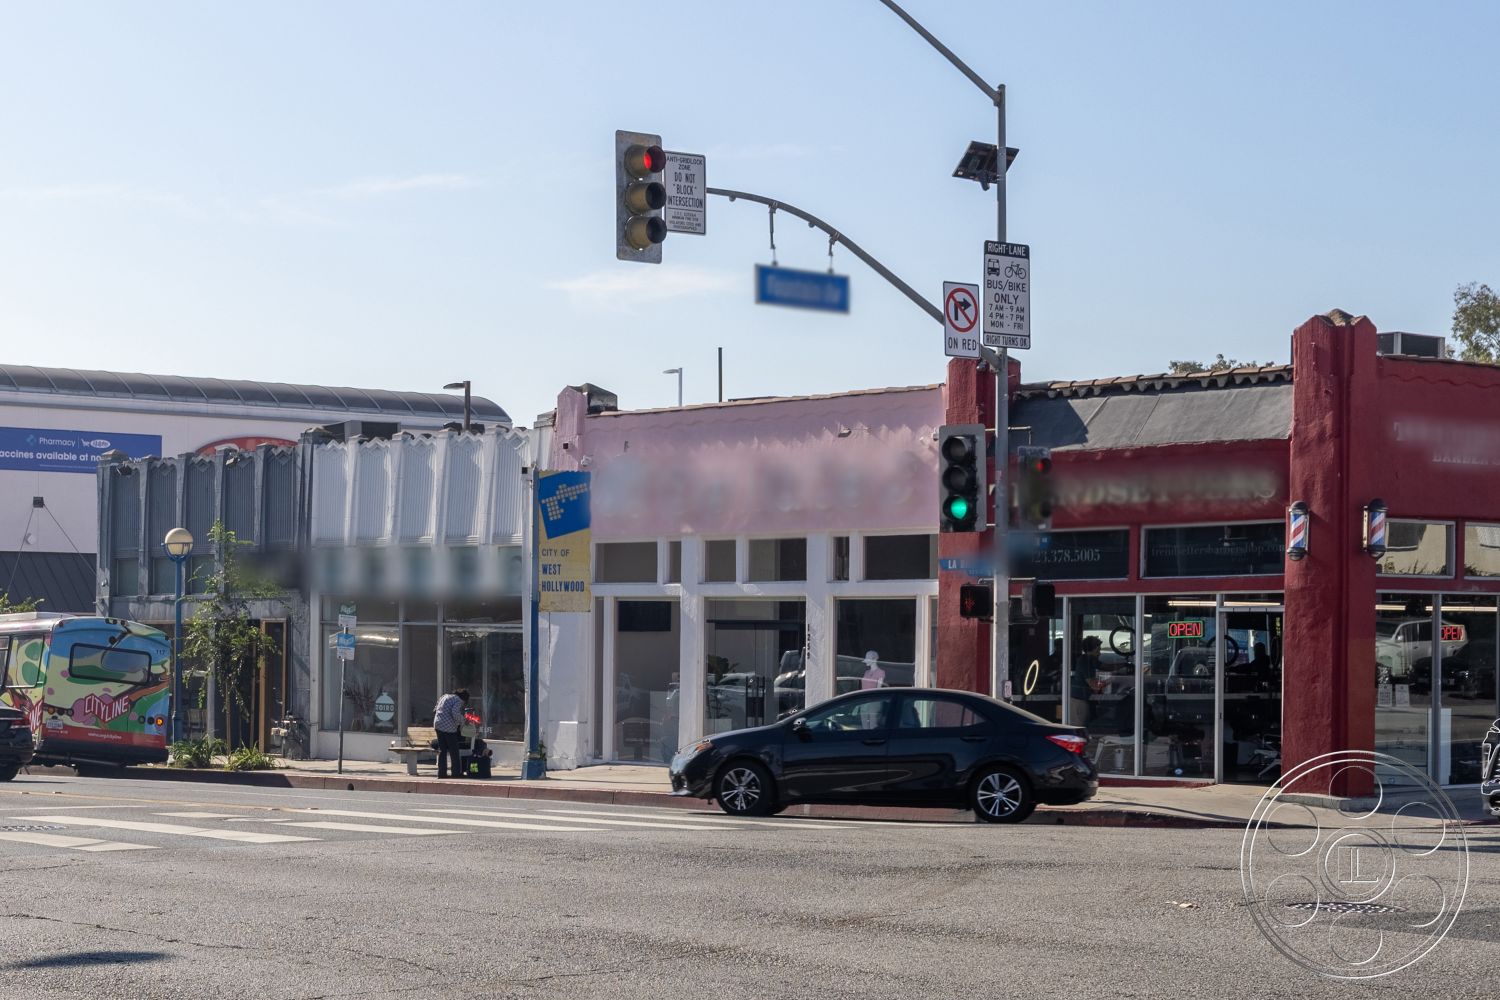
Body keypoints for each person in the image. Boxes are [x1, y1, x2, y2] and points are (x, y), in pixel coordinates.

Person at [433, 688, 470, 779]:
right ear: (464, 698)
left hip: (438, 724)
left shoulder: (444, 696)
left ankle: (442, 773)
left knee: (442, 750)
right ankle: (456, 773)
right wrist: (464, 721)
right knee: (454, 751)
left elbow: (436, 708)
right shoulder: (458, 700)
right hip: (448, 727)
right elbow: (454, 713)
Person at [1071, 636, 1102, 725]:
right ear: (1092, 650)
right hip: (1079, 701)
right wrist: (1111, 680)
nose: (1100, 653)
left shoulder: (1089, 660)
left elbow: (1104, 666)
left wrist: (1122, 665)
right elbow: (1094, 686)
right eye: (1098, 650)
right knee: (1079, 729)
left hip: (1081, 699)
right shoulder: (1086, 661)